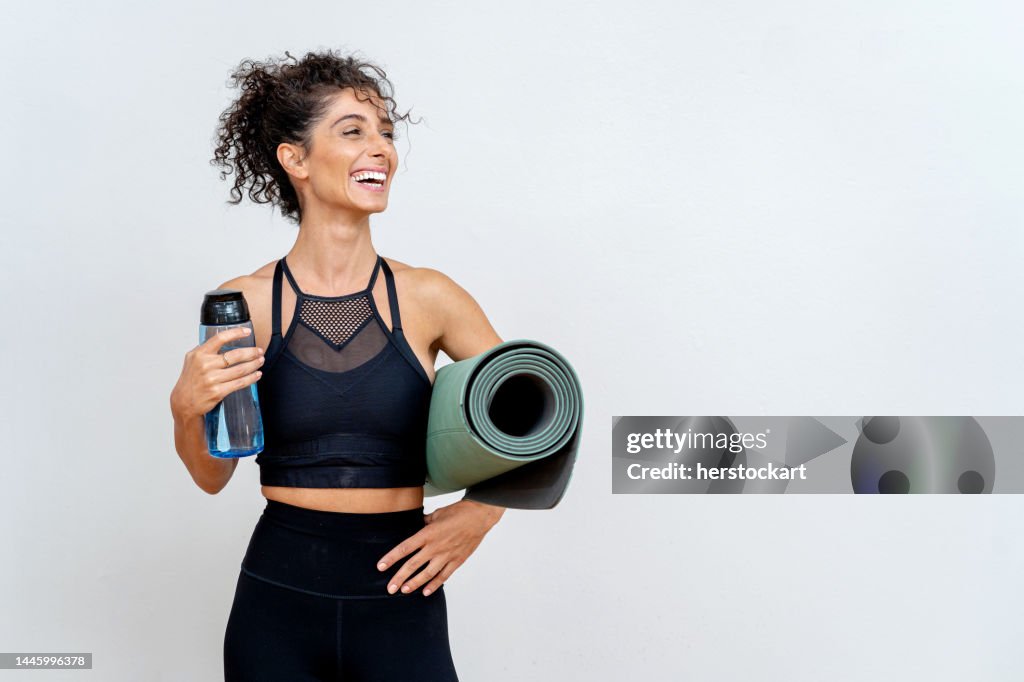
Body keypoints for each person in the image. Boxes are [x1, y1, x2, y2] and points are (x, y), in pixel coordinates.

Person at [168, 49, 505, 681]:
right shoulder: (245, 304)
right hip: (277, 600)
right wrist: (184, 408)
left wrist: (480, 514)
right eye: (353, 131)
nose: (380, 148)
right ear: (294, 159)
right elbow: (212, 477)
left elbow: (539, 423)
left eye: (385, 133)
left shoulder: (432, 297)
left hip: (403, 596)